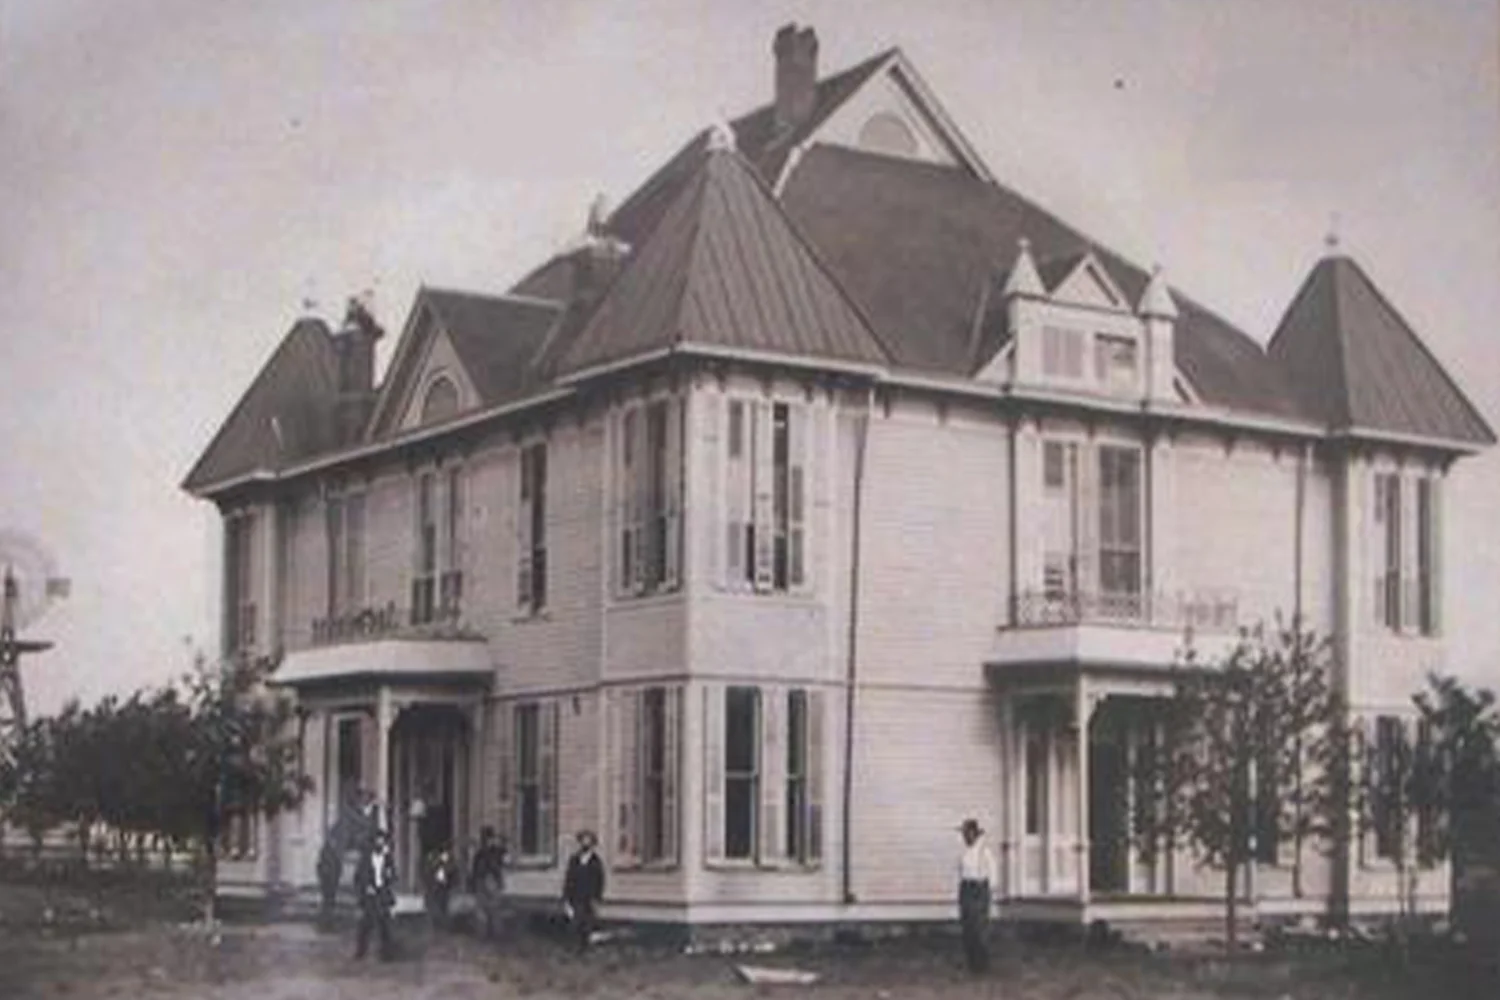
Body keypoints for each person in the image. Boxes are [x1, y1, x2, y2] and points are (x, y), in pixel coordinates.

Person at [955, 817, 998, 974]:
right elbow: (959, 872)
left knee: (979, 928)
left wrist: (988, 892)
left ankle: (982, 964)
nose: (965, 837)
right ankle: (971, 963)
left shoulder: (984, 852)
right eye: (964, 834)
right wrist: (961, 890)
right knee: (968, 927)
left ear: (975, 834)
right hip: (966, 889)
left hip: (979, 889)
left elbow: (992, 873)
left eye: (968, 833)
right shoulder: (963, 853)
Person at [353, 828, 397, 961]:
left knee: (385, 925)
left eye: (383, 840)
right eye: (378, 840)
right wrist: (366, 887)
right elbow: (358, 877)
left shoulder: (388, 859)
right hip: (370, 895)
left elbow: (394, 875)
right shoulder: (365, 859)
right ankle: (361, 951)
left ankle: (386, 953)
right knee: (366, 925)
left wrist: (390, 876)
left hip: (382, 893)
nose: (381, 843)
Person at [561, 829, 606, 953]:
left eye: (588, 840)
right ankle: (575, 948)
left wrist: (597, 898)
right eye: (583, 840)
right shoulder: (575, 860)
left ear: (592, 843)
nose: (585, 843)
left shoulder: (596, 861)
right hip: (576, 896)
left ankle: (585, 948)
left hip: (589, 897)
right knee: (575, 923)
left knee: (587, 923)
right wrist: (566, 897)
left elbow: (599, 881)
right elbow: (569, 879)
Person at [469, 826, 508, 940]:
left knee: (485, 909)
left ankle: (487, 934)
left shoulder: (483, 852)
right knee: (492, 908)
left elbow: (476, 869)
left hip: (486, 880)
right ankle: (493, 934)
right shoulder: (493, 851)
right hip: (489, 880)